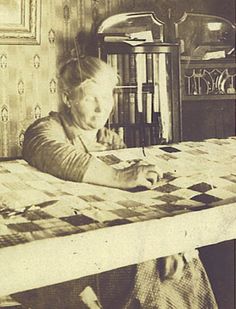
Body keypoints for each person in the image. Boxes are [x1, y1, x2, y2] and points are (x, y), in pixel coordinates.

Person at [22, 55, 217, 309]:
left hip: (109, 237)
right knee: (143, 266)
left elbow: (135, 202)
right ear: (68, 98)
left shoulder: (111, 141)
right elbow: (47, 149)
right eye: (90, 97)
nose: (101, 108)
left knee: (184, 260)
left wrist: (169, 241)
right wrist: (118, 177)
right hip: (65, 253)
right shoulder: (47, 129)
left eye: (106, 96)